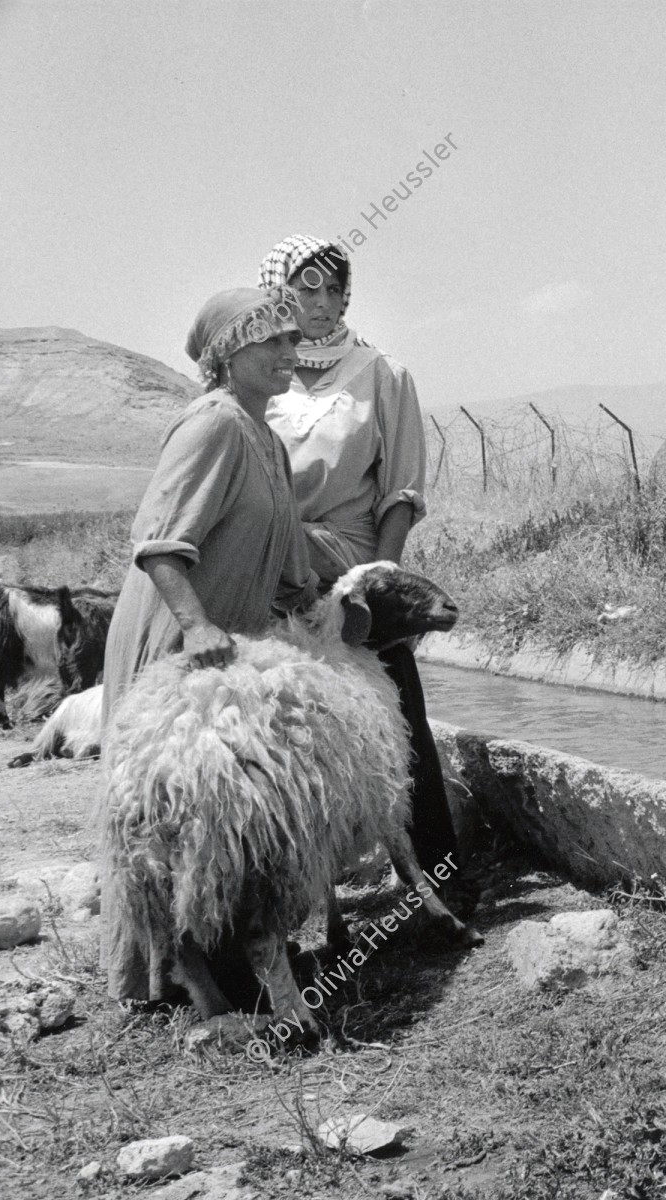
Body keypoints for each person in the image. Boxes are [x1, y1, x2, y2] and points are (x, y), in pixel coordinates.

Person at [102, 286, 320, 1004]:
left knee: (222, 811)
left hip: (232, 648)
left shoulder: (269, 441)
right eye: (273, 343)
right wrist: (196, 626)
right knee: (159, 806)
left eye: (294, 340)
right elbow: (160, 545)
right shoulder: (213, 425)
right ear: (228, 354)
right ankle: (154, 978)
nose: (292, 355)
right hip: (178, 635)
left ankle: (223, 962)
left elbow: (290, 568)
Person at [256, 235, 476, 922]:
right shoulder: (262, 376)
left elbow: (400, 490)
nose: (317, 304)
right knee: (288, 723)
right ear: (277, 295)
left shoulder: (381, 374)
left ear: (347, 296)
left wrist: (373, 577)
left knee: (395, 712)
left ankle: (439, 874)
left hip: (350, 564)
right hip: (272, 572)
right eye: (302, 290)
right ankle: (295, 898)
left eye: (330, 290)